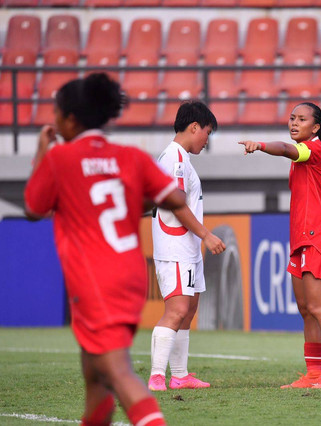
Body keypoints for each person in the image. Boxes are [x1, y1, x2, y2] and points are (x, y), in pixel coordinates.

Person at [23, 73, 186, 426]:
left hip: (94, 279)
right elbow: (175, 197)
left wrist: (40, 151)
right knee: (95, 378)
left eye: (56, 113)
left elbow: (33, 209)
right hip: (129, 275)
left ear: (69, 119)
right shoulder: (130, 156)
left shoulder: (61, 158)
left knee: (118, 372)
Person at [238, 102, 321, 389]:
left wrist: (259, 145)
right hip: (302, 239)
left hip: (319, 238)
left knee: (319, 306)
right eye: (291, 118)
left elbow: (287, 149)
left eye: (301, 119)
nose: (294, 123)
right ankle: (314, 374)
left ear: (315, 128)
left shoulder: (313, 149)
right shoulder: (304, 154)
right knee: (305, 308)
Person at [148, 101, 226, 392]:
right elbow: (176, 204)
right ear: (194, 127)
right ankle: (157, 376)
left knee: (189, 308)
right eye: (207, 132)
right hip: (176, 246)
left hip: (186, 247)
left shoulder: (179, 158)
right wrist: (206, 235)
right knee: (177, 310)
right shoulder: (175, 159)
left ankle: (179, 375)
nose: (207, 140)